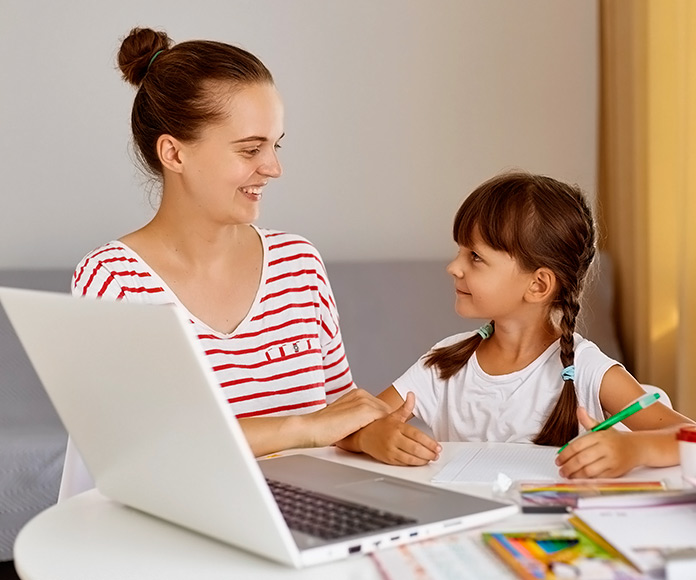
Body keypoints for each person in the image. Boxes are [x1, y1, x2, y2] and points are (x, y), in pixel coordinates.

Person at [60, 27, 390, 498]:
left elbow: (339, 411)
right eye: (250, 149)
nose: (273, 167)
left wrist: (377, 432)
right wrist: (304, 427)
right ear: (174, 152)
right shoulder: (112, 279)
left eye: (277, 145)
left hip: (315, 518)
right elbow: (146, 450)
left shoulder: (300, 263)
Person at [336, 172, 695, 478]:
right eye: (460, 251)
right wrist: (371, 437)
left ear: (538, 285)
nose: (454, 267)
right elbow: (344, 427)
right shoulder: (443, 365)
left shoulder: (586, 369)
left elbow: (688, 435)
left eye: (475, 257)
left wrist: (633, 450)